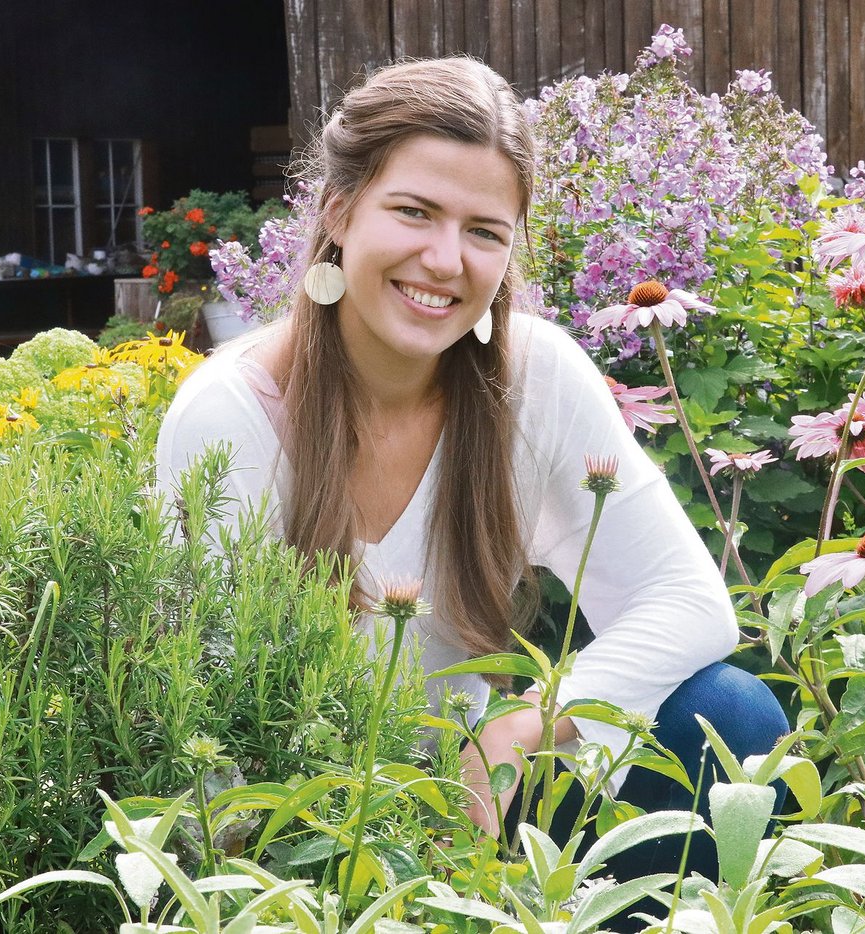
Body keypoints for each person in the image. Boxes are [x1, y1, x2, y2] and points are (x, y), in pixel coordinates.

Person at [155, 55, 787, 892]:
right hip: (304, 831)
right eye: (414, 212)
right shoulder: (229, 419)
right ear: (338, 211)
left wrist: (516, 731)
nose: (446, 260)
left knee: (731, 715)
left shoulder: (535, 379)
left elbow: (690, 605)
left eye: (484, 231)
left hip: (484, 800)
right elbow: (203, 728)